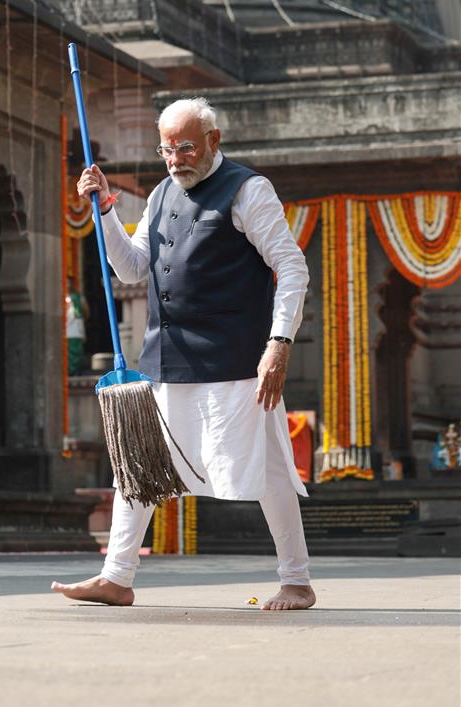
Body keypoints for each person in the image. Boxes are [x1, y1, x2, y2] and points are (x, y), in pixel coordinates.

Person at [52, 97, 315, 612]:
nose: (175, 159)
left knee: (269, 471)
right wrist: (105, 211)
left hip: (237, 360)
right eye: (166, 149)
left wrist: (278, 344)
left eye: (186, 147)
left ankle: (297, 580)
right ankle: (117, 576)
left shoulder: (248, 190)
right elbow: (130, 269)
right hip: (166, 357)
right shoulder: (160, 194)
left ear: (214, 141)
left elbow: (292, 267)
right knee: (137, 465)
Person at [65, 276, 90, 375]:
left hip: (77, 326)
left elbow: (86, 311)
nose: (68, 285)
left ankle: (76, 372)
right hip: (66, 327)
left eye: (70, 283)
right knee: (68, 350)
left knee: (77, 349)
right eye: (66, 283)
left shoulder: (79, 297)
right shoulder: (63, 297)